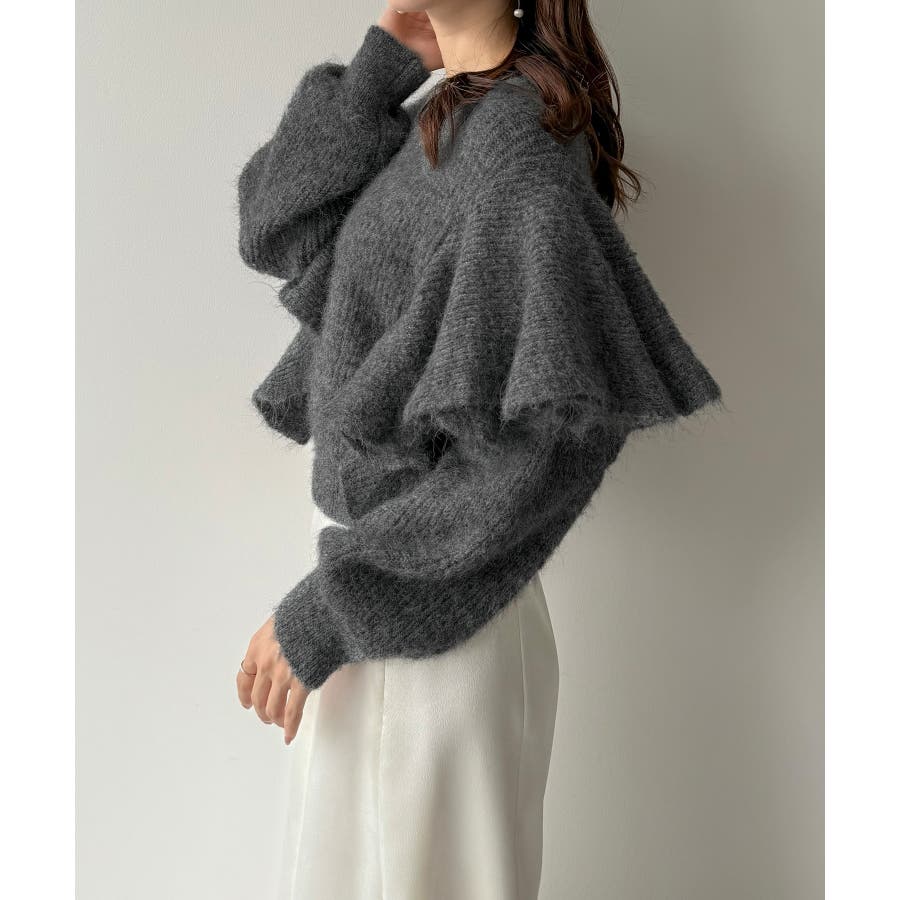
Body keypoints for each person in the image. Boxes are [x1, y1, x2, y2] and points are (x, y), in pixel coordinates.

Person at [234, 2, 723, 897]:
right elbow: (276, 228)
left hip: (426, 631)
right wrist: (384, 65)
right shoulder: (445, 113)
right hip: (382, 614)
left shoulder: (518, 150)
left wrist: (331, 607)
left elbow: (537, 457)